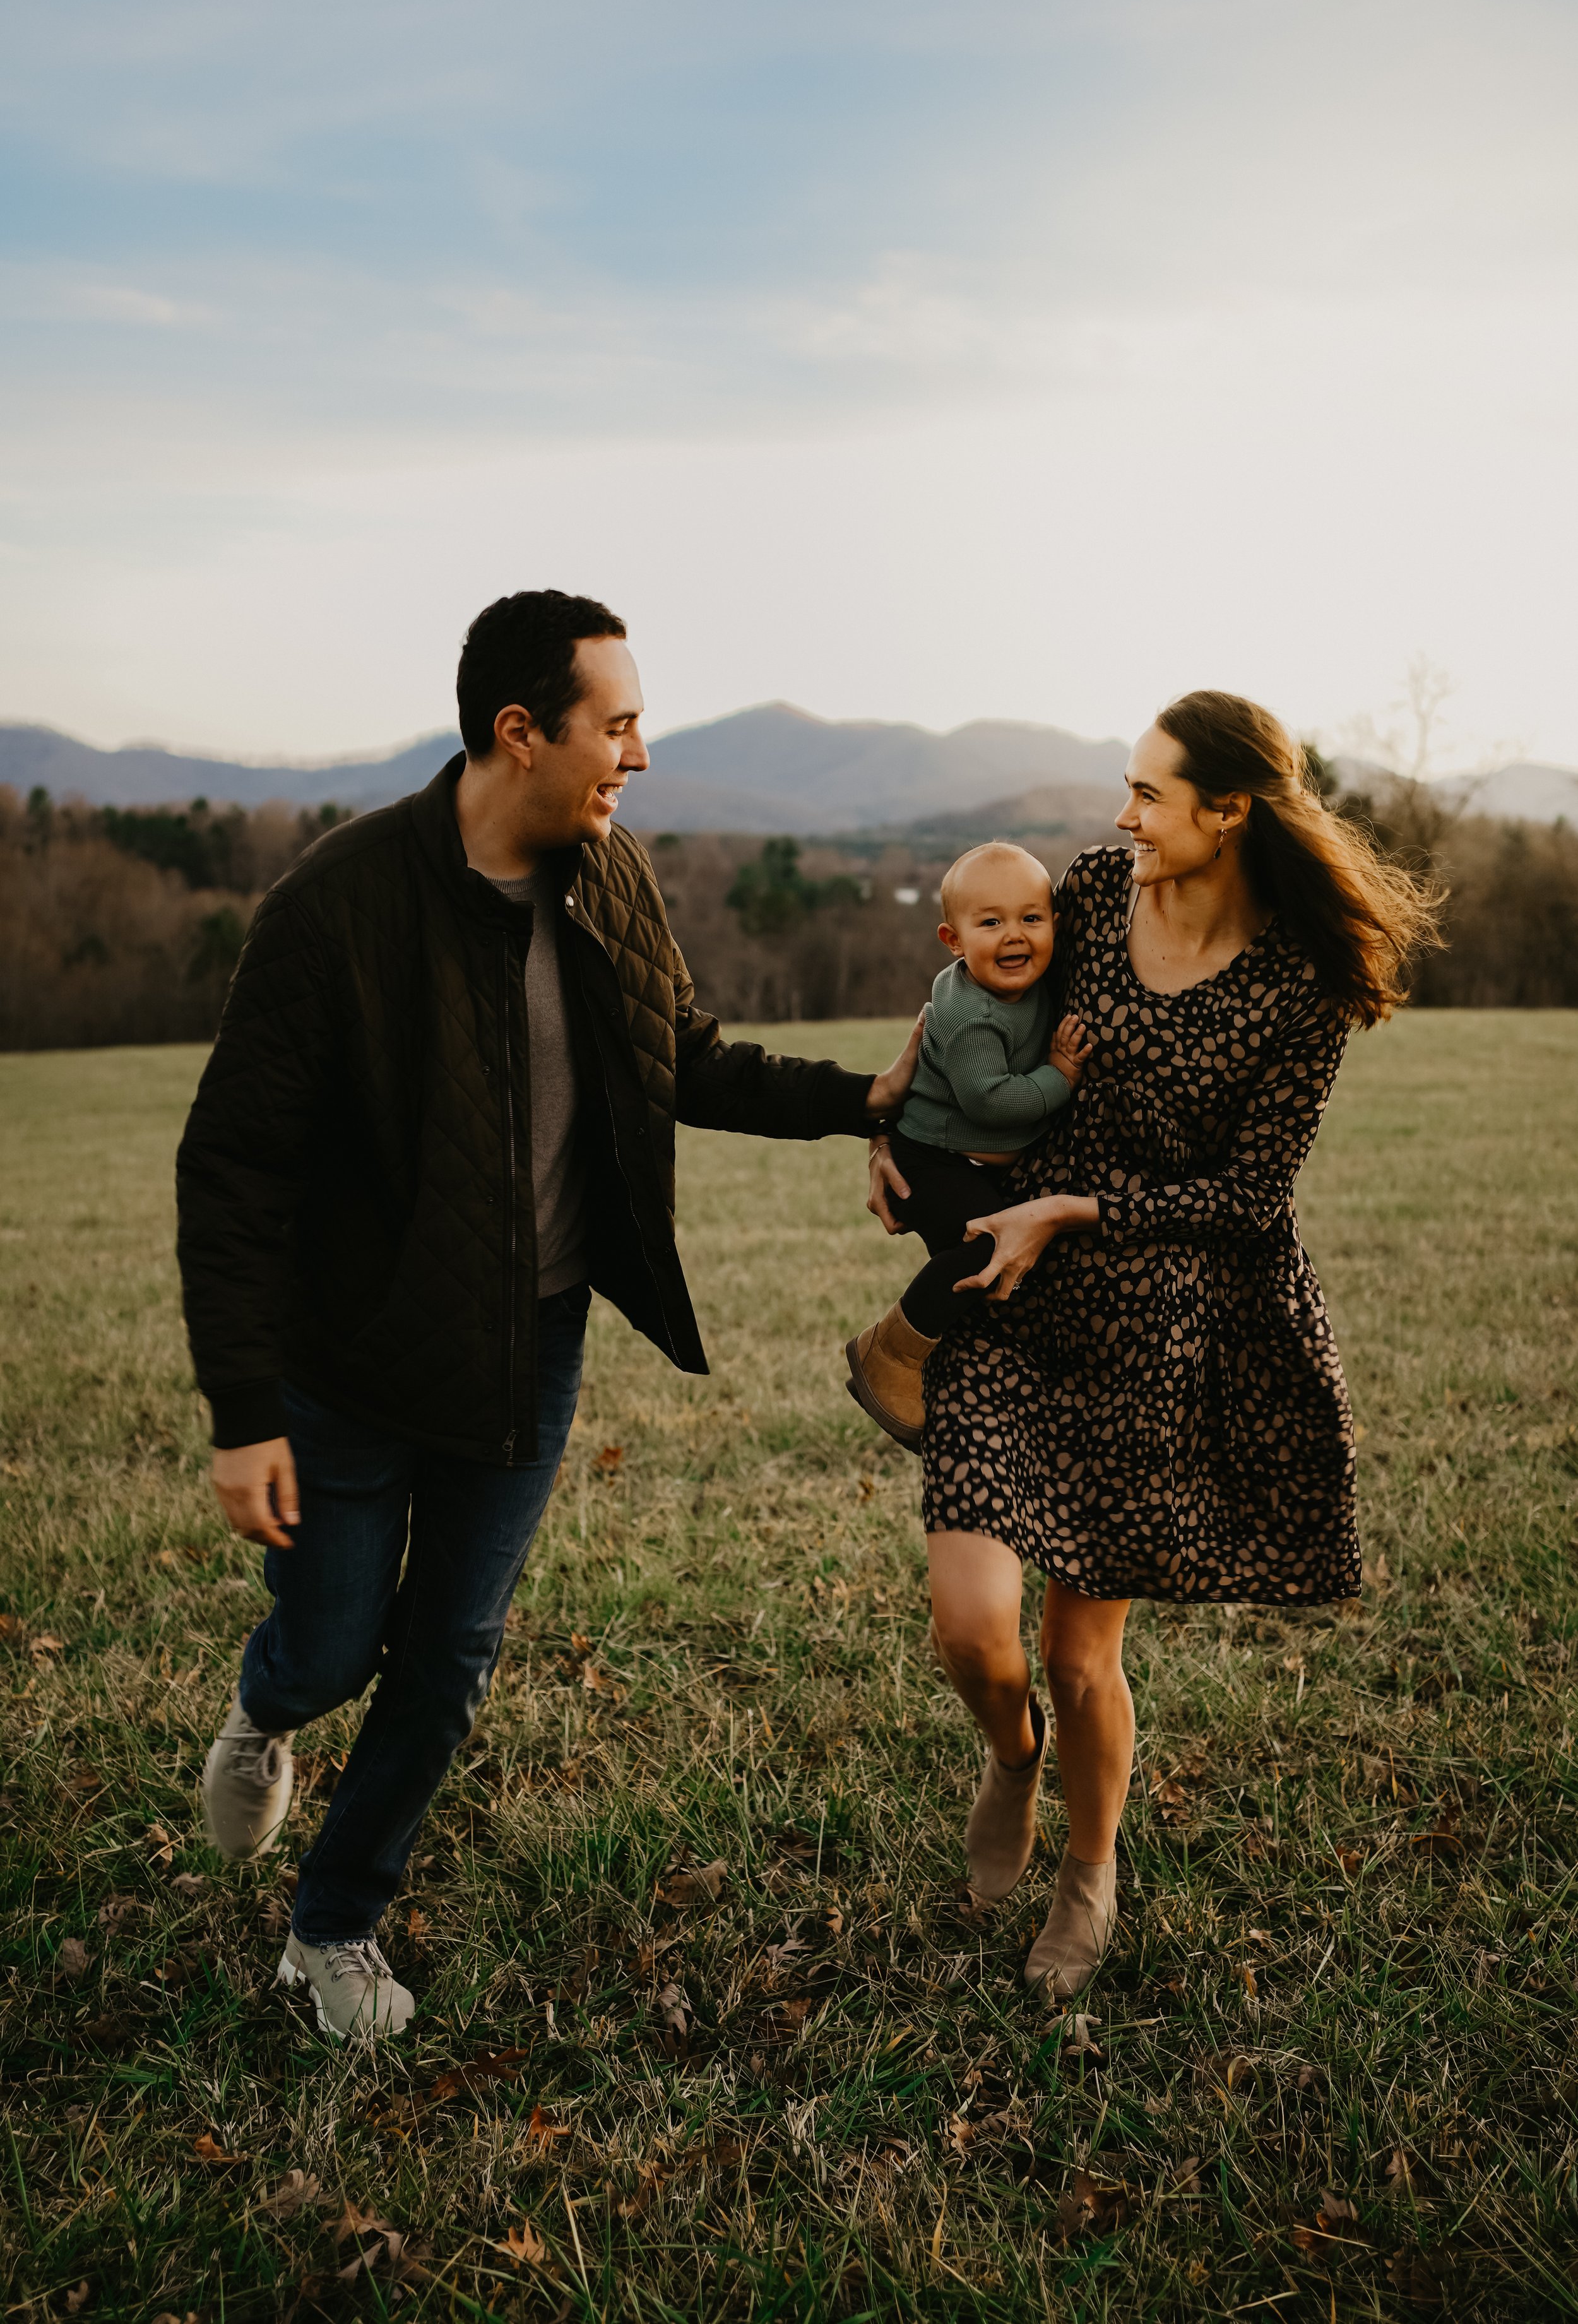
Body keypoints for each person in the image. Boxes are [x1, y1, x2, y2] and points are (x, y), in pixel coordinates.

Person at [176, 588, 920, 2041]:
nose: (639, 753)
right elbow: (234, 1168)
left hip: (531, 1345)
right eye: (616, 724)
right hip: (351, 1363)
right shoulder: (338, 906)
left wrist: (861, 1101)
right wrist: (242, 1409)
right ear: (520, 732)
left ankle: (331, 1924)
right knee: (331, 1651)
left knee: (449, 1654)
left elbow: (679, 1054)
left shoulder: (608, 874)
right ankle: (268, 1709)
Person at [868, 691, 1440, 1998]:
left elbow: (1252, 1198)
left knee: (1079, 1657)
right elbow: (966, 993)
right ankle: (1009, 1754)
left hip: (1159, 1329)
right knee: (971, 1628)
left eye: (1148, 793)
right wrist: (896, 1115)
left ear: (1226, 812)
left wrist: (1076, 1205)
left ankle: (1088, 1871)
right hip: (1016, 1295)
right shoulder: (1087, 890)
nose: (1122, 815)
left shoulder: (1297, 981)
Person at [844, 842, 1090, 1451]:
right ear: (953, 940)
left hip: (962, 1159)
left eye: (1031, 918)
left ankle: (977, 1386)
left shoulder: (1031, 980)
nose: (1015, 936)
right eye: (991, 923)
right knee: (985, 1245)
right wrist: (1060, 1076)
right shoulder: (970, 1014)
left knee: (992, 1278)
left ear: (1056, 925)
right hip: (927, 1159)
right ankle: (891, 1354)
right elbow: (991, 1102)